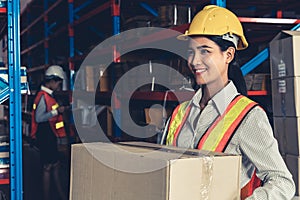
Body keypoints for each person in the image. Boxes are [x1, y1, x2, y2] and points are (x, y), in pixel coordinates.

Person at [163, 5, 295, 200]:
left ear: (229, 55)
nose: (194, 61)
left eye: (205, 51)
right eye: (191, 52)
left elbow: (282, 182)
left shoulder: (248, 117)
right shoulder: (180, 113)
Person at [31, 65, 68, 200]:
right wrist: (57, 111)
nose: (59, 85)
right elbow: (39, 118)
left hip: (49, 135)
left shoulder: (48, 96)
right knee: (48, 167)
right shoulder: (43, 96)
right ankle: (47, 196)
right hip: (45, 135)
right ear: (51, 81)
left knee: (55, 164)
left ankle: (60, 195)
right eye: (58, 82)